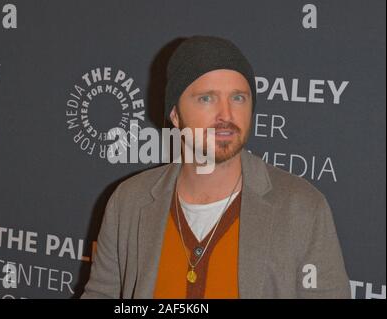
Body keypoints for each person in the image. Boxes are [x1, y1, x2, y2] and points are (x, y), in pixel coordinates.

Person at [82, 35, 350, 299]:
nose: (226, 115)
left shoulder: (302, 208)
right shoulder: (128, 201)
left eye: (238, 98)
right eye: (206, 98)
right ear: (175, 115)